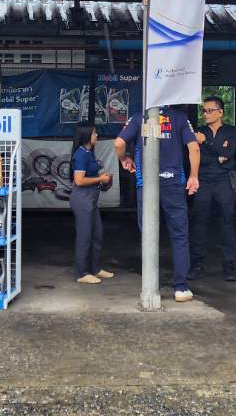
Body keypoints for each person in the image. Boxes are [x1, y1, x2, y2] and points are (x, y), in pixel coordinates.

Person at [114, 106, 200, 302]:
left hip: (146, 184)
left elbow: (119, 143)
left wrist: (124, 159)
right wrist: (194, 176)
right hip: (174, 184)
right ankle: (181, 288)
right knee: (179, 236)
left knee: (147, 234)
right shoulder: (180, 118)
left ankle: (150, 284)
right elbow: (194, 148)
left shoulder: (139, 117)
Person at [191, 96, 236, 282]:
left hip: (223, 182)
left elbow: (228, 153)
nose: (205, 114)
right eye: (204, 111)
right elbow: (197, 157)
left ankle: (229, 266)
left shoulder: (232, 131)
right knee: (199, 223)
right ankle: (197, 265)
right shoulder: (198, 132)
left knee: (226, 222)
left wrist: (206, 143)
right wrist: (217, 156)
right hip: (203, 181)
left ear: (220, 112)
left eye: (209, 110)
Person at [69, 123, 113, 285]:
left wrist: (102, 178)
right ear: (87, 135)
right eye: (94, 133)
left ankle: (95, 268)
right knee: (85, 236)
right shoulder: (80, 154)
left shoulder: (89, 153)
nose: (97, 136)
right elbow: (79, 180)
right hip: (82, 199)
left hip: (91, 198)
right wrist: (100, 178)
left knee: (97, 234)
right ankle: (81, 273)